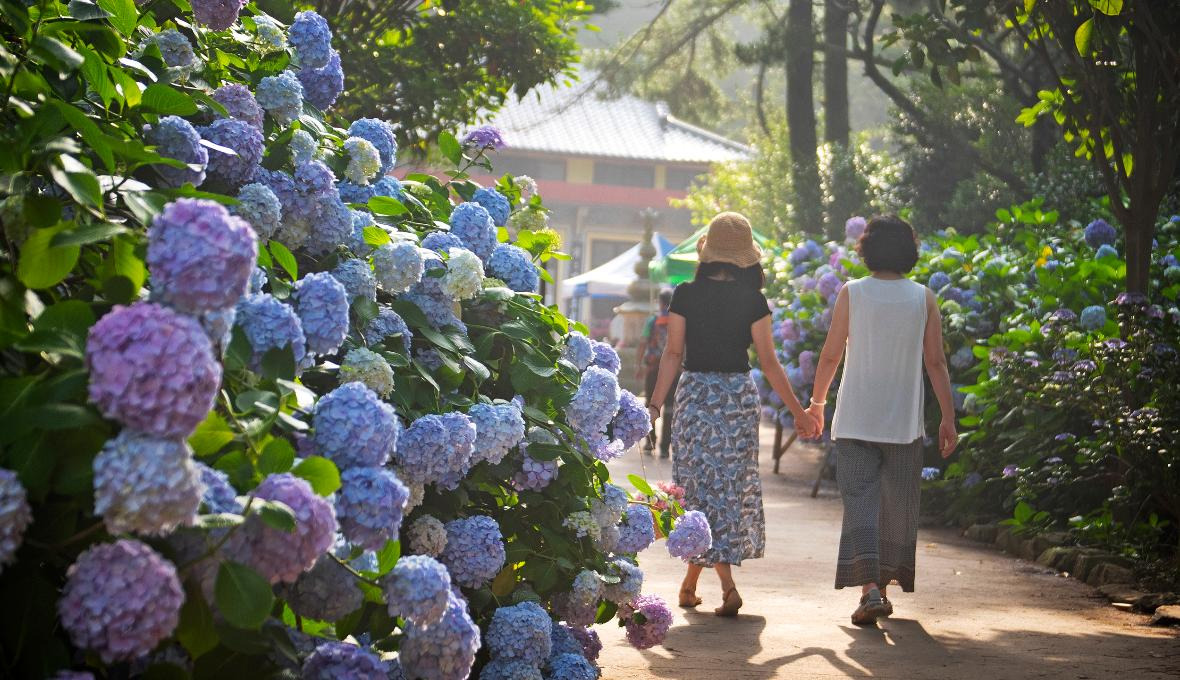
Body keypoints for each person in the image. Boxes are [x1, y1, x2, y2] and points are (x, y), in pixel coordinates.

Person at [647, 212, 819, 617]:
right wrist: (799, 412)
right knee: (725, 489)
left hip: (696, 397)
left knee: (694, 490)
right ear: (744, 258)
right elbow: (771, 364)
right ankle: (699, 585)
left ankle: (718, 585)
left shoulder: (684, 294)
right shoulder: (753, 300)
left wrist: (655, 405)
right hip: (736, 399)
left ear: (707, 253)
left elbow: (673, 354)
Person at [805, 214, 958, 626]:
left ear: (867, 248)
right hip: (903, 424)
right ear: (909, 250)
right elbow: (936, 361)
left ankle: (871, 590)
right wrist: (948, 417)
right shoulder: (923, 297)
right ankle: (879, 588)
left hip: (855, 419)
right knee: (896, 507)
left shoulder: (852, 292)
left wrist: (817, 403)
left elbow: (831, 355)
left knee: (860, 503)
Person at [635, 288, 676, 458]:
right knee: (670, 409)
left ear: (660, 302)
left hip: (653, 369)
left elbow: (643, 343)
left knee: (652, 405)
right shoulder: (678, 321)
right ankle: (666, 447)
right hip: (673, 370)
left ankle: (649, 443)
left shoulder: (652, 321)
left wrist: (638, 365)